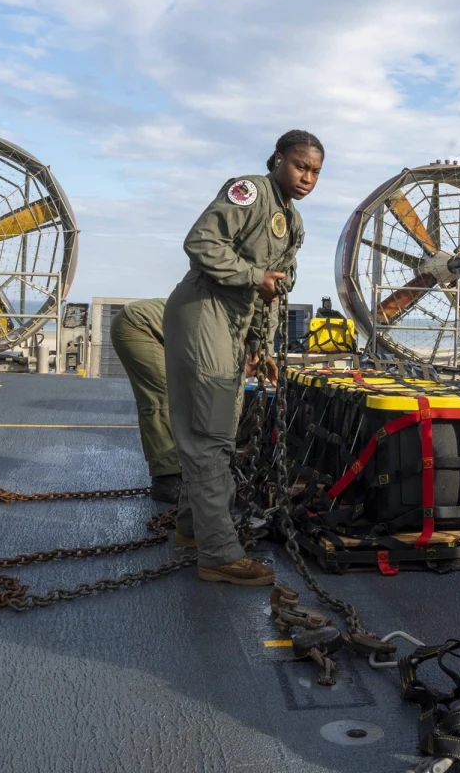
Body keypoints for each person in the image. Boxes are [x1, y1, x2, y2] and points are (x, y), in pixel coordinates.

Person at [163, 130, 323, 586]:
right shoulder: (249, 192)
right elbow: (201, 243)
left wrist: (261, 347)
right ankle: (217, 554)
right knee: (209, 434)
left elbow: (271, 292)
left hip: (233, 322)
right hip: (204, 310)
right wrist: (254, 275)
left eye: (314, 171)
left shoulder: (292, 221)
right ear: (277, 161)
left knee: (220, 429)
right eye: (300, 166)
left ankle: (193, 530)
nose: (307, 177)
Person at [110, 298, 179, 503]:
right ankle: (167, 480)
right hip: (138, 325)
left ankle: (178, 467)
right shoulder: (225, 332)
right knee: (162, 398)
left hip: (154, 327)